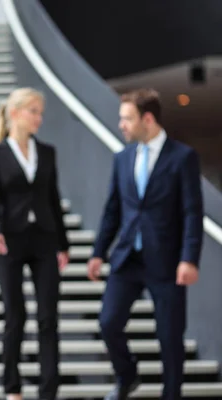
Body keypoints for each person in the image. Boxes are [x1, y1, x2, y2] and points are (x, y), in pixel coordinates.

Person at [87, 88, 203, 400]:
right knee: (109, 322)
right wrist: (98, 252)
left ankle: (172, 395)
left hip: (166, 261)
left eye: (127, 119)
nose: (121, 125)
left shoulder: (182, 158)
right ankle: (127, 376)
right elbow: (113, 209)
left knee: (169, 335)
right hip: (127, 259)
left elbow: (192, 211)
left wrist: (189, 258)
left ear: (147, 119)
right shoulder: (122, 158)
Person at [0, 88, 70, 400]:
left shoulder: (47, 152)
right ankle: (12, 388)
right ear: (16, 113)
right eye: (34, 111)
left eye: (40, 112)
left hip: (45, 239)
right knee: (14, 316)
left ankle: (49, 390)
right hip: (10, 241)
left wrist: (63, 244)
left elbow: (53, 199)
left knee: (48, 317)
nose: (39, 118)